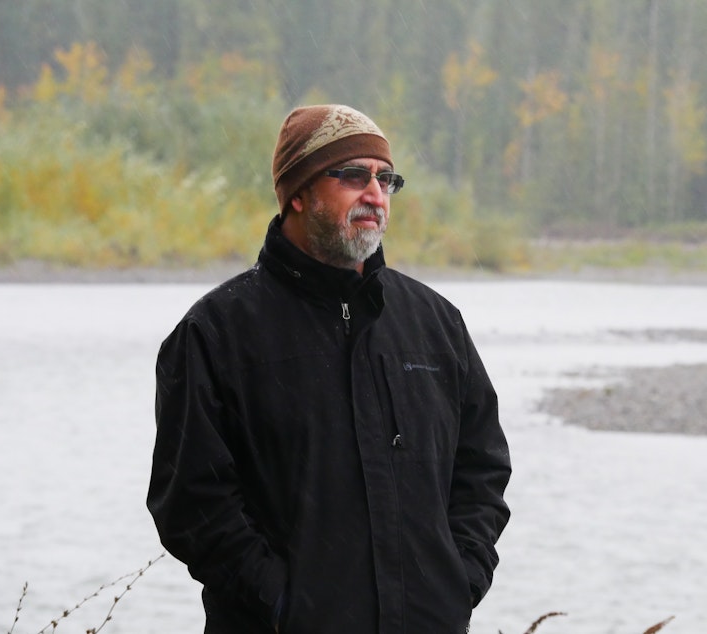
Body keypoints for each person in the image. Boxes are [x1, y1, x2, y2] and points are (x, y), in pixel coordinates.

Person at [147, 104, 511, 634]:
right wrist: (282, 605)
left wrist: (458, 581)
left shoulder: (435, 324)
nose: (375, 194)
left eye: (386, 179)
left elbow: (482, 469)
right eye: (352, 176)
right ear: (298, 192)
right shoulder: (216, 333)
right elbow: (190, 502)